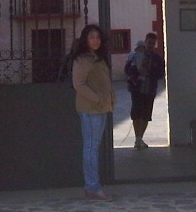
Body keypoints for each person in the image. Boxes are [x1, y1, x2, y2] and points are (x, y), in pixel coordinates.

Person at [71, 23, 116, 201]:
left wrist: (111, 97)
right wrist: (97, 99)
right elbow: (78, 84)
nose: (95, 40)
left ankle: (93, 186)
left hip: (101, 108)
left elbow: (104, 81)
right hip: (90, 110)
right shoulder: (82, 59)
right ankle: (92, 187)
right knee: (90, 148)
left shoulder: (98, 57)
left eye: (97, 37)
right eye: (91, 37)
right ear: (85, 40)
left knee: (93, 147)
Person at [123, 31, 165, 149]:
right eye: (149, 42)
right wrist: (137, 72)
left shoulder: (157, 58)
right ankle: (137, 138)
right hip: (137, 88)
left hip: (150, 89)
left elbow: (160, 74)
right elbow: (127, 69)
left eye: (153, 43)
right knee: (137, 112)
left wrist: (150, 73)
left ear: (155, 44)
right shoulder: (135, 55)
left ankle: (140, 138)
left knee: (146, 114)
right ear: (145, 42)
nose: (151, 45)